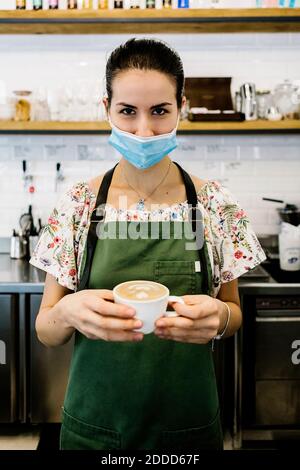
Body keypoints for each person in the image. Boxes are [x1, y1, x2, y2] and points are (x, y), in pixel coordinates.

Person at [30, 38, 266, 451]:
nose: (143, 130)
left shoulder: (215, 204)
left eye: (160, 111)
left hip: (187, 431)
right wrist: (67, 311)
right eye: (127, 112)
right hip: (94, 429)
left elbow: (232, 315)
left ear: (182, 108)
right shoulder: (78, 204)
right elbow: (47, 331)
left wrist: (220, 320)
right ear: (106, 109)